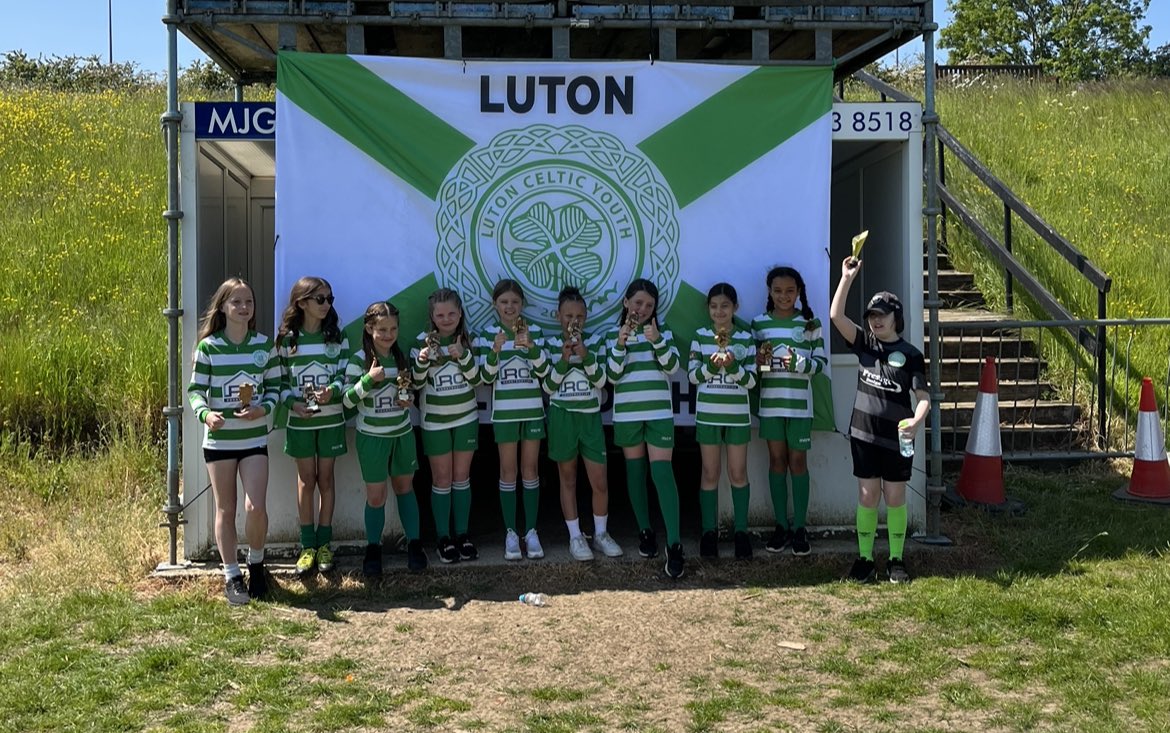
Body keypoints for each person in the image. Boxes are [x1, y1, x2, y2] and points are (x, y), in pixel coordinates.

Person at [829, 256, 929, 584]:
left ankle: (896, 560)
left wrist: (916, 423)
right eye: (871, 316)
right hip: (863, 434)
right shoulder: (865, 344)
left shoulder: (912, 354)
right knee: (868, 496)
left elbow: (924, 399)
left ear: (896, 317)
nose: (875, 321)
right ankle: (865, 559)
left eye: (882, 315)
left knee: (896, 497)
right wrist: (847, 277)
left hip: (897, 439)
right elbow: (835, 316)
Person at [187, 277, 279, 606]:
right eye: (236, 302)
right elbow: (195, 393)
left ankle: (256, 564)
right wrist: (206, 415)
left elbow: (276, 390)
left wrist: (262, 410)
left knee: (255, 506)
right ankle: (231, 575)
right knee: (226, 509)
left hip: (253, 439)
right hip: (219, 443)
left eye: (248, 302)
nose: (243, 308)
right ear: (223, 307)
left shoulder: (264, 346)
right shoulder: (208, 347)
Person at [604, 278, 685, 578]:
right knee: (635, 473)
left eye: (649, 305)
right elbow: (610, 376)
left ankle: (675, 544)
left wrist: (657, 340)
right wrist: (621, 343)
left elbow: (672, 368)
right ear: (626, 303)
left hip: (659, 413)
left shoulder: (662, 334)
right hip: (627, 415)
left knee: (662, 472)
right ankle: (645, 531)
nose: (642, 309)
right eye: (638, 303)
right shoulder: (612, 336)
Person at [343, 301, 427, 576]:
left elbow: (410, 392)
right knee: (376, 496)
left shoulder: (401, 358)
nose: (388, 334)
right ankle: (373, 549)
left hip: (401, 434)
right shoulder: (358, 360)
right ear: (369, 329)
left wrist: (409, 400)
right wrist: (368, 380)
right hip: (372, 438)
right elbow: (346, 400)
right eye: (382, 329)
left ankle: (414, 545)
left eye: (393, 328)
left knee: (405, 488)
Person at [751, 266, 827, 557]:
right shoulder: (759, 324)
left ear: (799, 292)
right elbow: (755, 365)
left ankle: (800, 528)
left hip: (799, 407)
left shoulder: (810, 322)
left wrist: (801, 364)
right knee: (776, 461)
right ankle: (781, 526)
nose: (784, 296)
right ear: (769, 292)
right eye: (778, 291)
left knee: (798, 462)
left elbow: (820, 363)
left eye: (790, 291)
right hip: (770, 406)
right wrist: (760, 361)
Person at [544, 286, 623, 561]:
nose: (573, 322)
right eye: (568, 316)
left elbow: (602, 382)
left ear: (586, 317)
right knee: (568, 479)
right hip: (562, 416)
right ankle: (575, 537)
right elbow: (549, 385)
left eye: (578, 316)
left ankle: (600, 534)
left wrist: (586, 355)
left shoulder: (598, 342)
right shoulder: (551, 344)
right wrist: (565, 358)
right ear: (558, 316)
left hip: (590, 417)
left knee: (599, 480)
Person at [276, 276, 348, 578]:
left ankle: (324, 544)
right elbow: (276, 384)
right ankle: (307, 546)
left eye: (329, 299)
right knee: (306, 480)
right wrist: (293, 404)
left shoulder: (337, 337)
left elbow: (345, 376)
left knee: (326, 480)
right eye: (320, 299)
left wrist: (332, 390)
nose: (327, 304)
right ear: (301, 302)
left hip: (331, 419)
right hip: (300, 423)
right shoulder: (286, 341)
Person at [476, 280, 550, 561]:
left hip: (532, 411)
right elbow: (485, 377)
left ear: (522, 305)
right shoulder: (486, 334)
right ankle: (510, 533)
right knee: (508, 472)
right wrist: (495, 351)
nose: (510, 307)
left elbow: (544, 371)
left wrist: (530, 346)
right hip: (505, 413)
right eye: (504, 302)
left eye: (515, 302)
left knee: (530, 470)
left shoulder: (536, 331)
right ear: (495, 305)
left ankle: (531, 532)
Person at [412, 288, 481, 564]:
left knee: (461, 478)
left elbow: (478, 381)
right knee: (442, 479)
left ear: (460, 313)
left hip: (466, 418)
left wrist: (463, 355)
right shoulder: (421, 343)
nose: (446, 318)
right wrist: (422, 361)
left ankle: (462, 535)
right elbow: (415, 385)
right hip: (435, 421)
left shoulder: (469, 340)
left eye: (452, 313)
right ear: (432, 316)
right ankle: (443, 538)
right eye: (440, 314)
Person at [688, 283, 757, 560]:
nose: (719, 311)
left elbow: (751, 381)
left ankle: (741, 532)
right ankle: (709, 533)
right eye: (714, 306)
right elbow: (693, 377)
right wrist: (711, 366)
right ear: (708, 309)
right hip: (708, 416)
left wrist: (732, 366)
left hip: (738, 417)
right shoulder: (700, 337)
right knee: (709, 474)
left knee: (738, 474)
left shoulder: (746, 339)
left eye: (725, 306)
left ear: (735, 308)